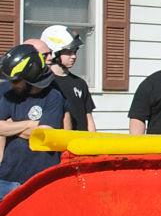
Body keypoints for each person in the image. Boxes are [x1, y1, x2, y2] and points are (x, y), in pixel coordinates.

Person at [0, 44, 70, 198]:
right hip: (6, 178)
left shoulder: (53, 96)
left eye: (16, 80)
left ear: (31, 75)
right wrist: (30, 124)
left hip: (39, 180)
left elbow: (44, 135)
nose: (11, 84)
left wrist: (11, 125)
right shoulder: (10, 95)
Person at [39, 24, 97, 132]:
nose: (74, 56)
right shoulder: (43, 83)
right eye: (69, 52)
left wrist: (93, 143)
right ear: (54, 52)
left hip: (80, 145)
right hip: (57, 145)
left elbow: (88, 117)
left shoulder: (80, 83)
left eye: (75, 51)